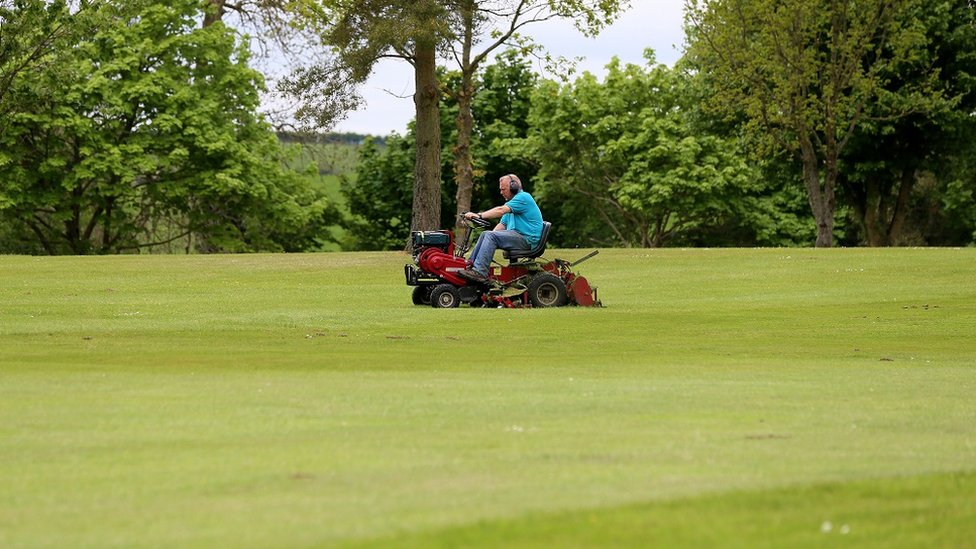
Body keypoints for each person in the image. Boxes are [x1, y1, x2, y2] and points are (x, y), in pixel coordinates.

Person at [458, 174, 544, 283]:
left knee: (489, 235)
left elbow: (500, 210)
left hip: (527, 240)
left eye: (503, 189)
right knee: (486, 234)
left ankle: (480, 272)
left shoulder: (523, 198)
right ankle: (470, 265)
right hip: (518, 236)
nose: (501, 192)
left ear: (514, 187)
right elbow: (501, 225)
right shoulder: (511, 205)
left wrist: (479, 215)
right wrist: (488, 241)